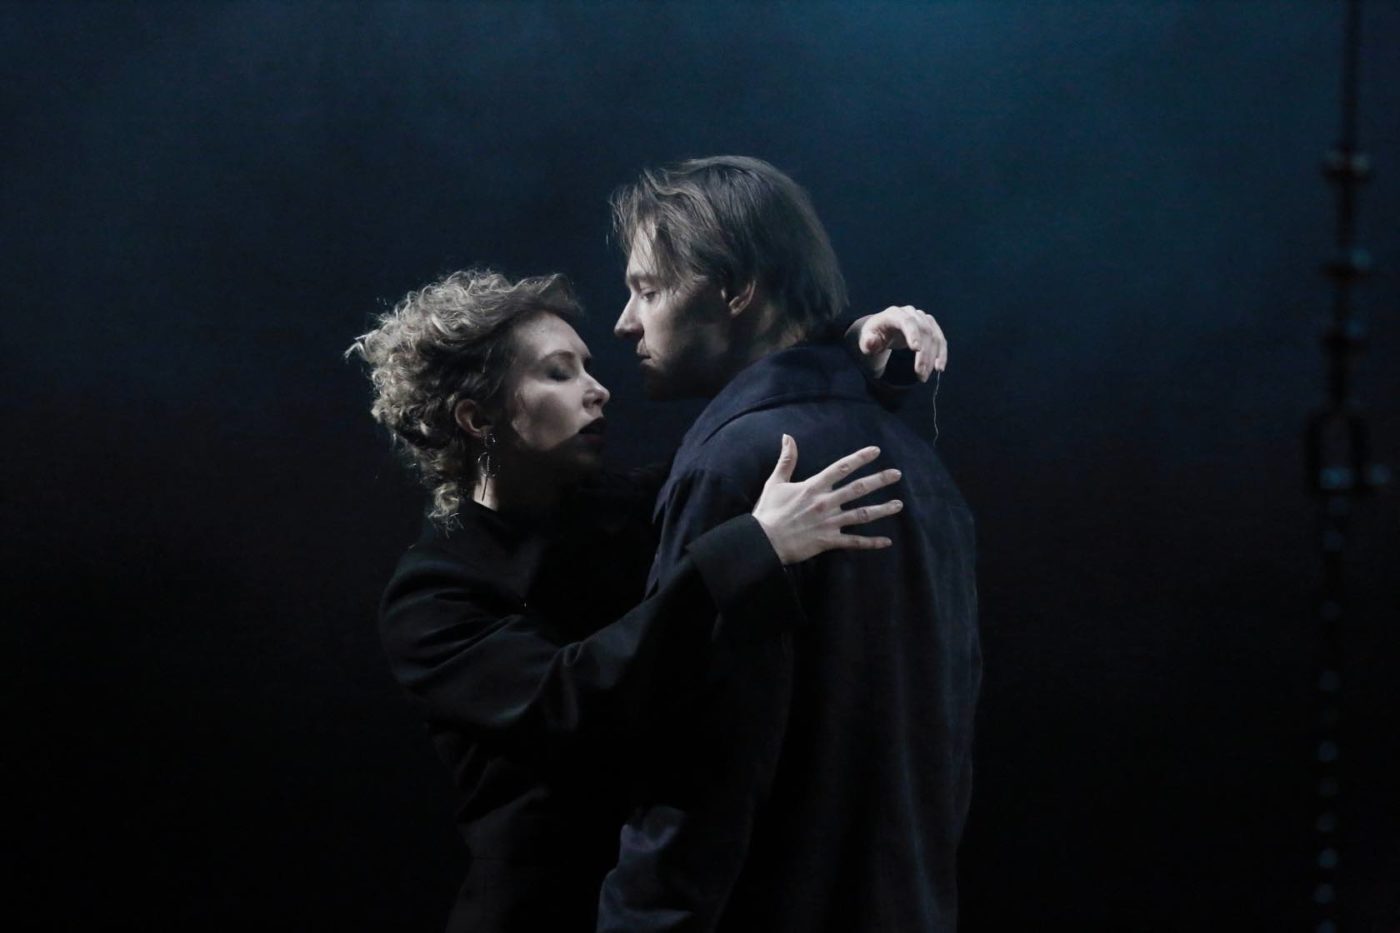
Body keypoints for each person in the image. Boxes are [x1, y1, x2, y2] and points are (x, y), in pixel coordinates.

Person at [348, 268, 948, 932]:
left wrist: (855, 356)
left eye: (587, 367)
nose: (598, 388)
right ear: (476, 417)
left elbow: (765, 453)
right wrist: (749, 548)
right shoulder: (430, 595)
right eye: (558, 373)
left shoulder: (627, 508)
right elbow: (574, 700)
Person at [599, 156, 980, 933]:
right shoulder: (925, 469)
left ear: (736, 287)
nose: (625, 322)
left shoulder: (739, 463)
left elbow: (703, 754)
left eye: (648, 289)